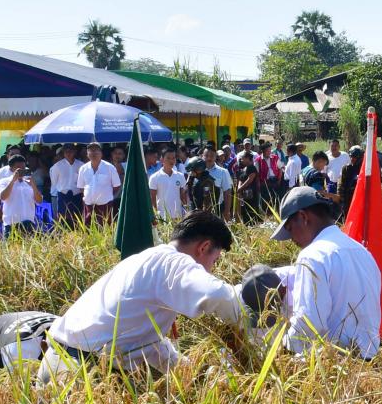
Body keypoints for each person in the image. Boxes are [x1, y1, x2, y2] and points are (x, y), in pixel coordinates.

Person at [38, 211, 247, 382]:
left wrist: (191, 372)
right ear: (204, 247)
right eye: (215, 261)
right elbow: (221, 297)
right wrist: (254, 297)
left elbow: (148, 343)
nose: (211, 270)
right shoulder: (174, 263)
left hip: (55, 363)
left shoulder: (143, 260)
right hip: (82, 374)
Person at [271, 186, 382, 359]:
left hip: (336, 365)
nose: (291, 239)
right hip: (370, 361)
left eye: (290, 228)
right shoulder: (363, 253)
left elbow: (308, 322)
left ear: (303, 217)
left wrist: (282, 350)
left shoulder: (312, 256)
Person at [0, 311, 59, 382]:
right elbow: (19, 395)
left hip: (10, 327)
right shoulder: (21, 351)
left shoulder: (64, 329)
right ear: (44, 346)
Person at [78, 142, 121, 225]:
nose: (93, 153)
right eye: (91, 151)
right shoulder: (83, 168)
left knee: (106, 228)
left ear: (101, 153)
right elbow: (81, 187)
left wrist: (106, 194)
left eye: (96, 150)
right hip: (88, 205)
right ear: (87, 154)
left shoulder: (110, 167)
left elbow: (116, 186)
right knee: (88, 228)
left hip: (105, 205)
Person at [0, 154, 41, 235]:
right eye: (19, 168)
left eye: (23, 168)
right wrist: (13, 181)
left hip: (29, 223)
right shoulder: (4, 181)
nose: (22, 171)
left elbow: (39, 201)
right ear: (11, 168)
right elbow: (3, 197)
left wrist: (33, 186)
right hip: (11, 224)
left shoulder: (29, 182)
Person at [149, 148, 187, 220]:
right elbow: (152, 199)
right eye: (168, 158)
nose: (171, 160)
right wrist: (155, 216)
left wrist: (186, 212)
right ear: (162, 159)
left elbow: (183, 196)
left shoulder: (180, 176)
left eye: (173, 158)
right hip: (162, 217)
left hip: (178, 217)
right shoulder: (154, 177)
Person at [50, 144, 83, 225]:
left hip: (77, 195)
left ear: (74, 152)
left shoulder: (81, 165)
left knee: (77, 218)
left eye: (70, 151)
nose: (68, 153)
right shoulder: (57, 166)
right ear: (63, 153)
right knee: (63, 219)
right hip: (63, 195)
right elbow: (54, 181)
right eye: (66, 152)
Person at [203, 145, 234, 221]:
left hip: (217, 208)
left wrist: (227, 211)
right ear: (202, 156)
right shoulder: (196, 171)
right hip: (200, 209)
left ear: (215, 157)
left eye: (212, 156)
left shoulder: (223, 172)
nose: (209, 158)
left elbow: (227, 192)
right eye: (206, 155)